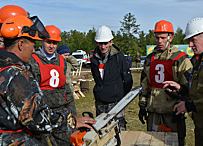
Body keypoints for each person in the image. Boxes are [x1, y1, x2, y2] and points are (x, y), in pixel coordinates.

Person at [0, 15, 96, 146]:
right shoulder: (16, 74)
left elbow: (66, 89)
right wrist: (71, 121)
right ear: (21, 44)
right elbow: (35, 118)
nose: (33, 50)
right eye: (33, 45)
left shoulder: (3, 66)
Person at [163, 17, 203, 146]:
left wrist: (190, 106)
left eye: (193, 40)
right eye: (189, 41)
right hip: (202, 126)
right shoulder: (200, 60)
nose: (190, 45)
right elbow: (202, 89)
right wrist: (182, 89)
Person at [138, 20, 193, 146]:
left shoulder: (181, 59)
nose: (159, 41)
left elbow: (189, 88)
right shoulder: (149, 59)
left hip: (172, 114)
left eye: (163, 38)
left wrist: (181, 108)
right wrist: (142, 106)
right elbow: (144, 85)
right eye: (157, 37)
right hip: (153, 113)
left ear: (171, 37)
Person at [29, 25, 77, 145]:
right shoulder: (32, 60)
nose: (51, 46)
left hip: (61, 111)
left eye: (55, 43)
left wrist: (73, 114)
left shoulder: (61, 61)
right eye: (48, 42)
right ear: (42, 41)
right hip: (42, 112)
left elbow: (66, 88)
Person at [90, 25, 133, 131]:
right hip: (100, 103)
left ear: (111, 42)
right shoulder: (93, 59)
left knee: (118, 132)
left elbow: (128, 80)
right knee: (101, 132)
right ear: (97, 43)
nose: (103, 46)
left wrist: (119, 95)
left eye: (106, 43)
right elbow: (97, 80)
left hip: (115, 103)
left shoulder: (119, 57)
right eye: (100, 43)